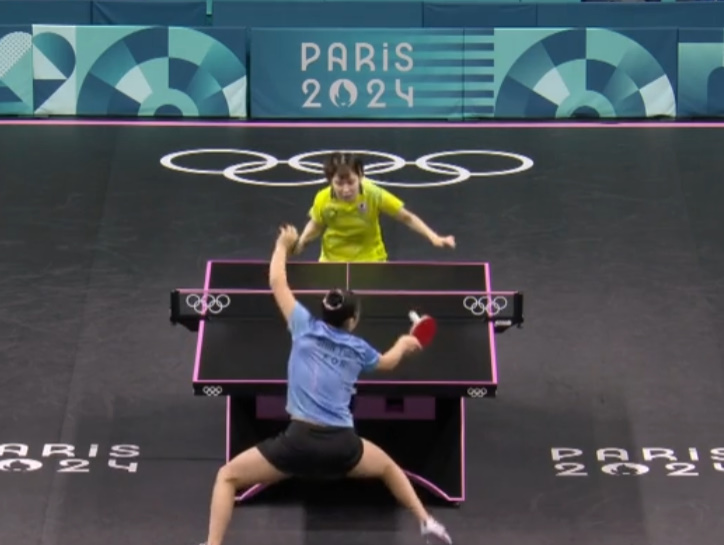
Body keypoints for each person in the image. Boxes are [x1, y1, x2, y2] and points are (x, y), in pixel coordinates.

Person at [198, 224, 453, 545]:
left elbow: (277, 280)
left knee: (227, 477)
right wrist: (404, 344)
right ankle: (427, 522)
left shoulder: (303, 326)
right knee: (389, 468)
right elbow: (388, 362)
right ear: (352, 321)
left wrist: (283, 245)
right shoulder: (360, 349)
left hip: (298, 444)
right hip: (342, 445)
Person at [293, 152, 456, 262]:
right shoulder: (322, 198)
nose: (346, 189)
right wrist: (300, 243)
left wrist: (434, 237)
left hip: (371, 260)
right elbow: (316, 224)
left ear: (360, 176)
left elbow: (407, 217)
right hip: (332, 261)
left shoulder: (374, 194)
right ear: (330, 181)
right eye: (339, 183)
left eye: (351, 182)